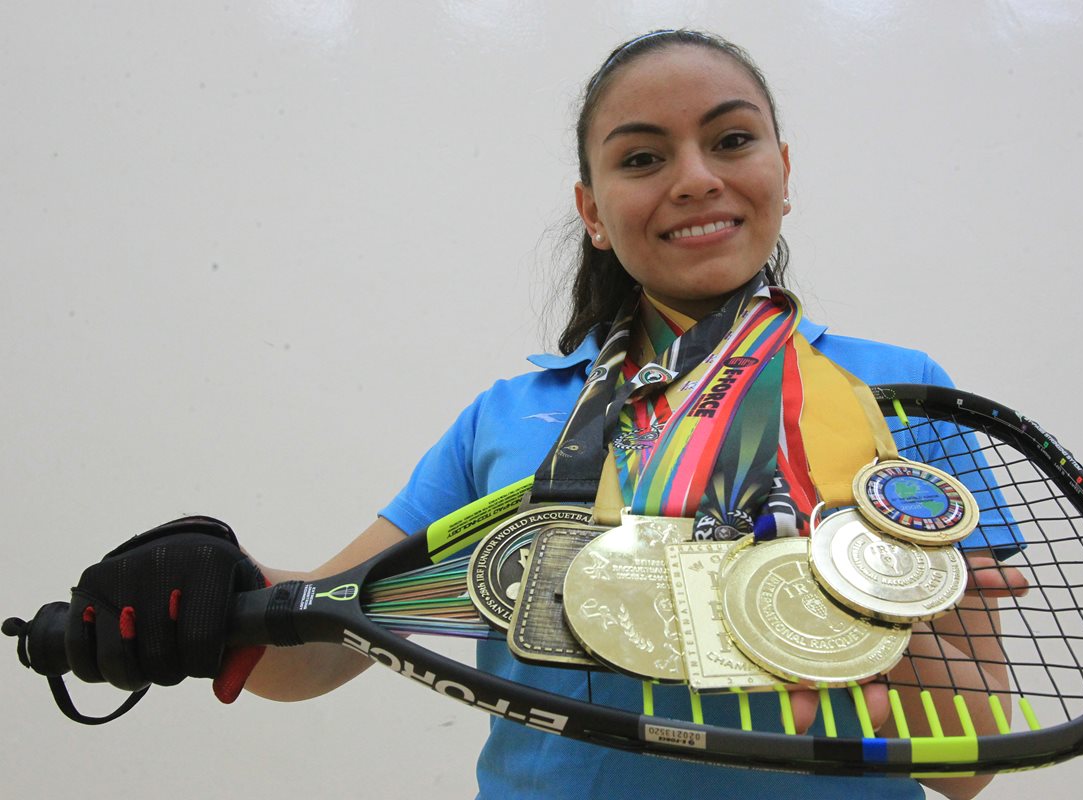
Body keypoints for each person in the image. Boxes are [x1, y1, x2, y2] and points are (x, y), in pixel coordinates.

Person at [50, 30, 1027, 800]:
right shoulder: (506, 418)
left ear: (782, 166)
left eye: (731, 139)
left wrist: (782, 598)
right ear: (593, 209)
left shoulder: (898, 395)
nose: (695, 177)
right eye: (643, 156)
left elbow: (969, 756)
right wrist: (214, 589)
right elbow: (328, 640)